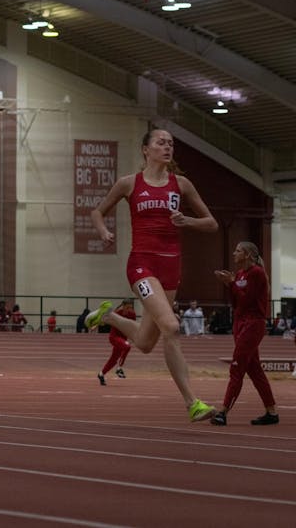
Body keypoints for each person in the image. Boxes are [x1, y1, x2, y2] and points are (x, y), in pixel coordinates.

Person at [87, 128, 218, 422]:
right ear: (146, 149)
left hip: (171, 266)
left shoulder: (181, 184)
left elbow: (211, 223)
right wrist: (104, 231)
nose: (167, 147)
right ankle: (192, 403)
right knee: (171, 326)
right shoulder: (129, 183)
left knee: (146, 343)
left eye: (171, 143)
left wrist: (187, 221)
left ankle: (109, 317)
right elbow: (97, 212)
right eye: (161, 143)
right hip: (141, 266)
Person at [210, 242, 279, 426]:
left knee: (237, 367)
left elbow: (248, 300)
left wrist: (231, 283)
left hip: (253, 323)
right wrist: (229, 284)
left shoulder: (257, 273)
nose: (234, 253)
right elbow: (236, 302)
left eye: (238, 251)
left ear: (247, 254)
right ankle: (271, 412)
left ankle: (223, 411)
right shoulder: (240, 274)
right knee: (255, 370)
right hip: (239, 322)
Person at [97, 298, 136, 385]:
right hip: (114, 337)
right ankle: (119, 368)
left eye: (131, 308)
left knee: (113, 359)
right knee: (127, 347)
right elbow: (105, 319)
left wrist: (133, 337)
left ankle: (101, 374)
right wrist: (95, 325)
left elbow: (132, 326)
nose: (129, 309)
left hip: (123, 339)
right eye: (127, 307)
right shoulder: (117, 313)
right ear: (123, 306)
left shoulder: (132, 314)